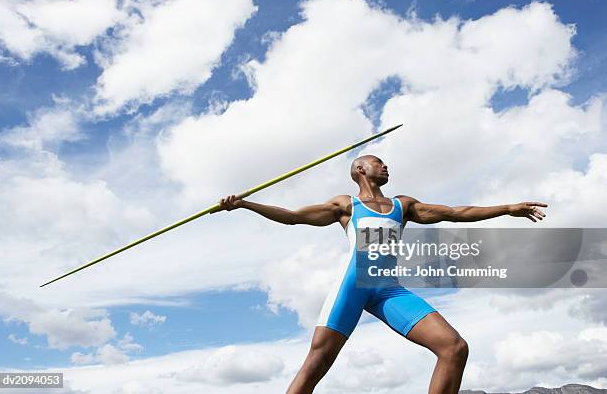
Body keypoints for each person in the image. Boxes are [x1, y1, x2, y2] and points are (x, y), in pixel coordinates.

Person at [216, 154, 547, 394]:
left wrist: (508, 208)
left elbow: (457, 213)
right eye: (379, 162)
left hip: (389, 290)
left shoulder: (404, 205)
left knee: (454, 348)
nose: (386, 166)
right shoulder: (345, 205)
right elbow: (292, 217)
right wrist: (246, 205)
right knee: (317, 362)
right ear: (360, 169)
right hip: (354, 285)